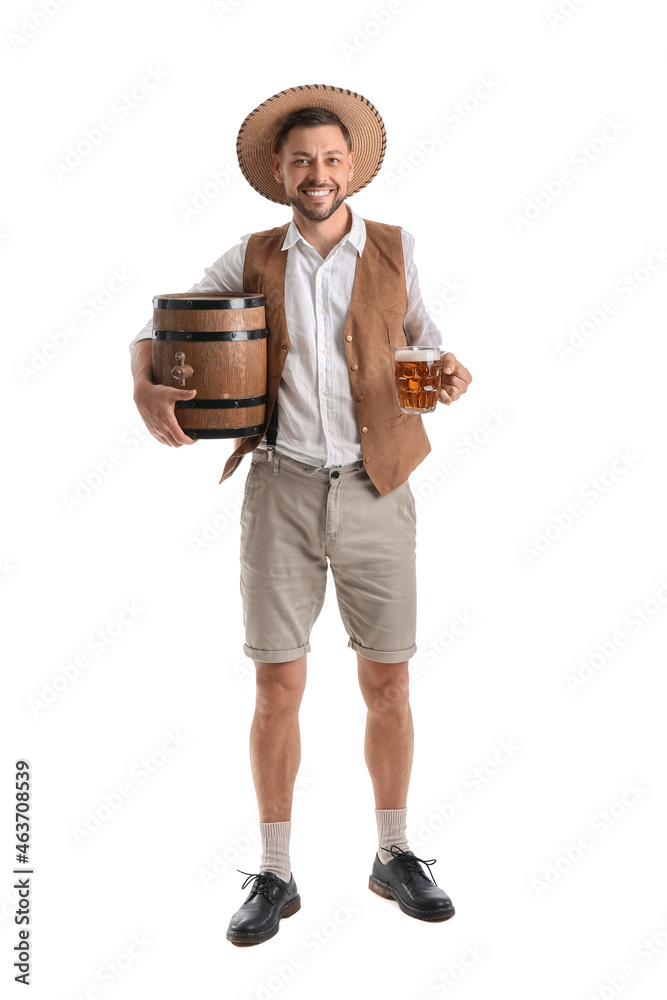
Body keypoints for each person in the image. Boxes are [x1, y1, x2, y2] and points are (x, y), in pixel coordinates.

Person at [129, 83, 472, 947]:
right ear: (278, 173)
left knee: (387, 681)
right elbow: (156, 325)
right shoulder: (251, 256)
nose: (315, 175)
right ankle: (275, 873)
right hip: (278, 486)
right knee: (276, 684)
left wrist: (450, 374)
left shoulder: (396, 248)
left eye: (328, 160)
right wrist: (144, 381)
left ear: (349, 167)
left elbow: (428, 347)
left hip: (377, 487)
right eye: (300, 163)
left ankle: (393, 854)